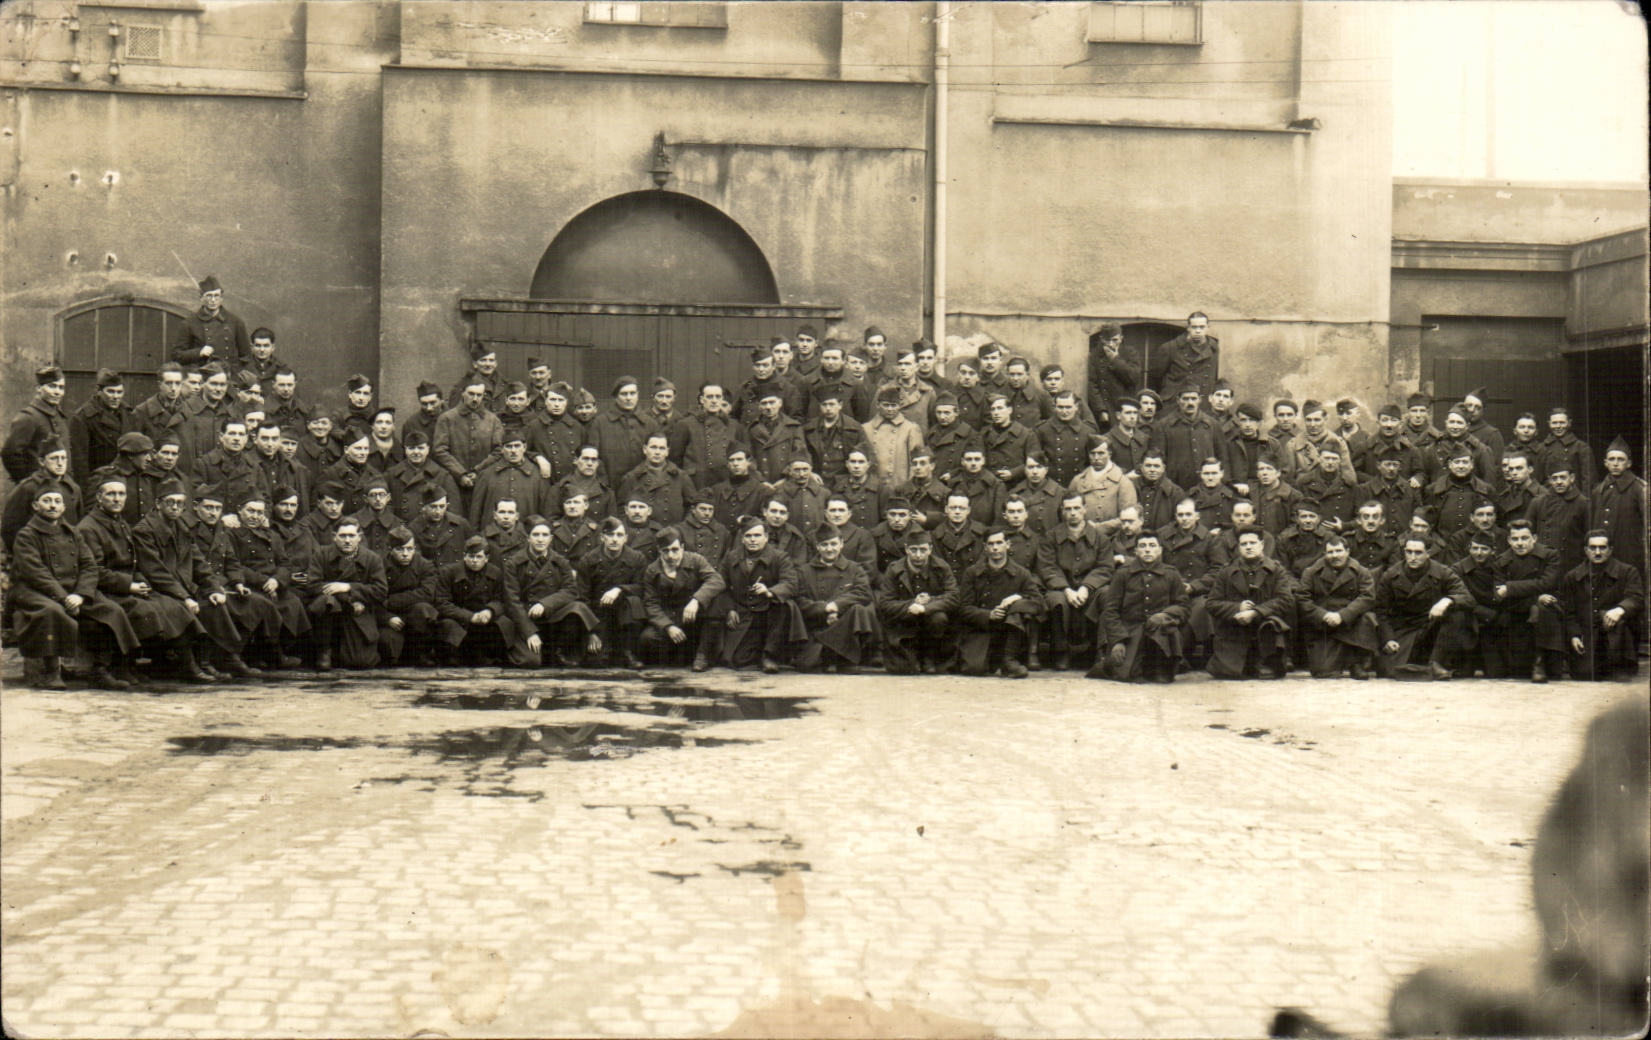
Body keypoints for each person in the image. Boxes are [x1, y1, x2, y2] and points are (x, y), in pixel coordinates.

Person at [76, 475, 196, 681]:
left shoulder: (121, 523)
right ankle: (118, 665)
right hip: (104, 588)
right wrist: (129, 586)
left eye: (121, 494)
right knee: (142, 610)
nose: (117, 499)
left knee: (170, 604)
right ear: (99, 497)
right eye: (111, 494)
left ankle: (181, 663)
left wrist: (141, 582)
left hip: (126, 585)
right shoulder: (89, 528)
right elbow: (94, 570)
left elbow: (133, 562)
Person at [133, 478, 251, 679]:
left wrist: (213, 587)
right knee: (181, 608)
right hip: (157, 588)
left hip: (181, 585)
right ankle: (189, 665)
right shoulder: (144, 530)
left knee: (213, 602)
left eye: (180, 503)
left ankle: (209, 661)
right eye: (170, 502)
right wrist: (184, 596)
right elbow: (155, 571)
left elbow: (198, 562)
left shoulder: (181, 527)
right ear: (158, 503)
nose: (175, 507)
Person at [215, 495, 302, 669]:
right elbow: (235, 565)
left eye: (259, 512)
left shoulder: (271, 535)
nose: (254, 516)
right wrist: (264, 581)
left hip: (272, 582)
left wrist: (277, 580)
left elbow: (285, 563)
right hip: (247, 583)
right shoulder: (232, 533)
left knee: (293, 602)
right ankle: (258, 654)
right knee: (261, 604)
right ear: (239, 511)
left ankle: (273, 651)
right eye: (250, 511)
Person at [1091, 531, 1188, 683]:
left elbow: (1182, 606)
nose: (1147, 550)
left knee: (1161, 677)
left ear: (1160, 550)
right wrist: (1117, 641)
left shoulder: (1171, 574)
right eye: (1142, 546)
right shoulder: (1122, 574)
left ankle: (1161, 668)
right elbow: (1111, 611)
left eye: (1152, 545)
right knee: (1125, 675)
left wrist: (1164, 615)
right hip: (1130, 632)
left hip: (1160, 632)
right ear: (1135, 551)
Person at [717, 514, 807, 673]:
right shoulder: (731, 557)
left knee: (785, 605)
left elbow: (791, 584)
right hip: (744, 613)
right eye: (748, 536)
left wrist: (770, 592)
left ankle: (770, 654)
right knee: (736, 660)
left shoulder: (780, 557)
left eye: (757, 535)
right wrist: (730, 609)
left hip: (770, 612)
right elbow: (721, 586)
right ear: (742, 539)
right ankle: (758, 650)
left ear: (766, 537)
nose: (753, 540)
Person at [1372, 537, 1472, 680]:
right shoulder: (1391, 575)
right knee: (1388, 672)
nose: (1413, 557)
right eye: (1409, 552)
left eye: (1418, 553)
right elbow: (1381, 611)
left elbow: (1468, 598)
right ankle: (1424, 667)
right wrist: (1388, 638)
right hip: (1404, 630)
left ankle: (1436, 663)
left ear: (1428, 553)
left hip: (1433, 630)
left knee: (1457, 612)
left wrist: (1447, 600)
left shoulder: (1443, 572)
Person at [1036, 493, 1112, 670]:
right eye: (1068, 509)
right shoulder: (1051, 536)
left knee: (1107, 595)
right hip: (1061, 588)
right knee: (1056, 600)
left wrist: (1086, 587)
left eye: (1077, 508)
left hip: (1091, 590)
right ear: (1062, 511)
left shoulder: (1100, 538)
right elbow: (1047, 567)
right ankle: (1061, 652)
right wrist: (1066, 589)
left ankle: (1100, 650)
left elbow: (1105, 567)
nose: (1073, 513)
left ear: (1085, 509)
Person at [1206, 529, 1295, 679]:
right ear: (1239, 547)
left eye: (1252, 543)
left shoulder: (1277, 570)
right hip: (1235, 628)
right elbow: (1212, 603)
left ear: (1261, 545)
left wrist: (1256, 612)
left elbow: (1286, 600)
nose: (1248, 547)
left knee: (1272, 625)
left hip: (1264, 627)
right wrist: (1237, 608)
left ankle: (1266, 662)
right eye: (1244, 544)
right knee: (1228, 673)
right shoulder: (1226, 572)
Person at [954, 529, 1043, 678]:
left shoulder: (1021, 573)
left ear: (1007, 545)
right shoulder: (972, 573)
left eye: (999, 543)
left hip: (1009, 632)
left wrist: (1016, 598)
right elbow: (964, 608)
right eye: (991, 544)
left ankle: (1009, 659)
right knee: (974, 669)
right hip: (981, 629)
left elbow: (1038, 602)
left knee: (1020, 607)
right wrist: (988, 615)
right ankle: (994, 660)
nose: (995, 548)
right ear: (985, 547)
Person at [1486, 519, 1567, 682]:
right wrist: (1536, 595)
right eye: (1515, 539)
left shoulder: (1550, 555)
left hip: (1547, 614)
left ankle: (1540, 661)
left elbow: (1548, 583)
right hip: (1516, 611)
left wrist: (1511, 588)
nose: (1520, 543)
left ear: (1534, 538)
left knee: (1542, 606)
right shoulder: (1501, 561)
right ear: (1509, 540)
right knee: (1509, 671)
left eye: (1525, 538)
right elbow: (1499, 595)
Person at [1560, 530, 1644, 681]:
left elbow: (1636, 598)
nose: (1597, 552)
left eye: (1602, 547)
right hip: (1588, 635)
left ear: (1610, 549)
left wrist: (1620, 609)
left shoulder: (1628, 572)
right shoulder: (1572, 577)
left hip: (1617, 634)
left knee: (1620, 675)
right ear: (1586, 550)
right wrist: (1574, 635)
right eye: (1592, 548)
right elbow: (1569, 612)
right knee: (1584, 675)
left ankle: (1620, 664)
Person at [795, 522, 878, 672]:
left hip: (846, 626)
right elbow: (800, 601)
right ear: (817, 546)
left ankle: (846, 660)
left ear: (841, 544)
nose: (829, 549)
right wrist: (824, 609)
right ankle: (829, 655)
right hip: (818, 628)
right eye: (824, 544)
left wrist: (836, 607)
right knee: (807, 666)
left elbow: (864, 593)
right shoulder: (803, 572)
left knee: (859, 609)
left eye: (833, 544)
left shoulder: (854, 569)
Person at [305, 519, 387, 670]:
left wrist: (349, 587)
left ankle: (342, 653)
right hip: (330, 611)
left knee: (361, 662)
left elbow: (381, 591)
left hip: (358, 613)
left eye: (351, 535)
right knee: (325, 601)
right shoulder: (321, 555)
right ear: (334, 536)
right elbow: (312, 585)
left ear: (359, 537)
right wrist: (348, 599)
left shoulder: (372, 559)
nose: (347, 540)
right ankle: (324, 651)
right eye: (342, 536)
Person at [639, 526, 724, 671]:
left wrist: (696, 600)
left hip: (695, 618)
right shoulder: (652, 570)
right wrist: (668, 626)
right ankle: (681, 654)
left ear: (682, 547)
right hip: (671, 619)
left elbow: (717, 580)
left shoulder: (696, 560)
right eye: (665, 551)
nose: (671, 556)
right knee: (647, 638)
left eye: (675, 549)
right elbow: (651, 603)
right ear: (659, 550)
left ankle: (701, 655)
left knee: (715, 602)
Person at [875, 527, 959, 675]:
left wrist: (926, 607)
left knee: (938, 618)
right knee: (904, 669)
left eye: (922, 550)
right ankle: (911, 656)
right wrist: (911, 604)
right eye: (913, 550)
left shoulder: (941, 567)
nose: (918, 555)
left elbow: (953, 596)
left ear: (930, 549)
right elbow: (885, 604)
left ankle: (930, 656)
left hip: (931, 625)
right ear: (906, 549)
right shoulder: (894, 570)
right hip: (904, 625)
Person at [1297, 534, 1378, 679]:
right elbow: (1303, 599)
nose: (1335, 555)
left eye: (1339, 551)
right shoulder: (1311, 572)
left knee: (1368, 618)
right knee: (1323, 672)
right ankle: (1340, 660)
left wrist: (1343, 615)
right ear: (1324, 553)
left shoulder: (1361, 572)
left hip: (1351, 623)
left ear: (1347, 551)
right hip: (1324, 625)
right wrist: (1323, 615)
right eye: (1330, 552)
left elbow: (1367, 597)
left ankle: (1356, 662)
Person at [431, 535, 514, 666]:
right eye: (471, 556)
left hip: (484, 619)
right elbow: (442, 603)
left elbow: (501, 599)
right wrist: (469, 616)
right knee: (447, 626)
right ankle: (454, 657)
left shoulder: (496, 573)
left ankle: (498, 655)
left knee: (504, 623)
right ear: (464, 556)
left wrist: (489, 611)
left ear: (486, 559)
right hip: (459, 618)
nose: (474, 561)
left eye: (479, 557)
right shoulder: (448, 572)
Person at [578, 517, 649, 669]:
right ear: (602, 537)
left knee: (634, 601)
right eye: (610, 535)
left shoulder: (637, 558)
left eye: (619, 535)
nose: (614, 539)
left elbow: (642, 587)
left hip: (625, 616)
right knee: (596, 662)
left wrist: (620, 589)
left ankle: (629, 651)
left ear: (625, 538)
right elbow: (582, 598)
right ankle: (604, 648)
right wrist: (591, 633)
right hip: (598, 616)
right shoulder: (588, 560)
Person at [433, 377, 505, 508]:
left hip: (484, 483)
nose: (475, 399)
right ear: (463, 393)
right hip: (453, 483)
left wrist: (478, 472)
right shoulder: (447, 418)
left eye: (479, 395)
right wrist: (461, 474)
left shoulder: (493, 420)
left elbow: (499, 450)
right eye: (471, 394)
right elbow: (440, 450)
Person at [3, 438, 81, 550]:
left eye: (63, 458)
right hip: (37, 552)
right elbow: (10, 528)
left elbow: (78, 523)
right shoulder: (27, 488)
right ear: (41, 461)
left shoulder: (73, 488)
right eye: (54, 458)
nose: (60, 463)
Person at [376, 525, 438, 667]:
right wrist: (387, 617)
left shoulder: (424, 565)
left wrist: (391, 601)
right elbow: (373, 596)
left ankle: (422, 653)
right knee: (388, 648)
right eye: (400, 549)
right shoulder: (379, 566)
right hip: (390, 617)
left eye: (409, 549)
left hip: (413, 615)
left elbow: (427, 593)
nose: (405, 554)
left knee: (424, 610)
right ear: (390, 550)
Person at [68, 369, 138, 489]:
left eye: (119, 392)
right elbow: (80, 463)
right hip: (100, 482)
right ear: (98, 391)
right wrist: (86, 492)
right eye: (111, 391)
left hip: (126, 481)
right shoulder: (84, 417)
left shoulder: (128, 413)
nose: (116, 396)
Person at [670, 382, 747, 489]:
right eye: (710, 397)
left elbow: (746, 456)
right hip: (696, 482)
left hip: (725, 482)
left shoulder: (734, 426)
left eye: (718, 397)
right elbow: (675, 459)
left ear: (722, 399)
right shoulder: (686, 424)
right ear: (702, 400)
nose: (714, 400)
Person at [4, 365, 71, 483]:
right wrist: (28, 482)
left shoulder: (58, 416)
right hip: (39, 489)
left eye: (61, 388)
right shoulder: (29, 417)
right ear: (39, 388)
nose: (57, 392)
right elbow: (10, 453)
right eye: (52, 386)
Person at [1591, 436, 1645, 579]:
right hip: (1603, 553)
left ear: (1629, 464)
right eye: (1612, 459)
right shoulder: (1598, 490)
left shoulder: (1640, 489)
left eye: (1620, 460)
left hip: (1629, 553)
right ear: (1605, 463)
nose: (1615, 463)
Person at [470, 430, 550, 526]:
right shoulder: (487, 475)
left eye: (517, 446)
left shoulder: (537, 475)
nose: (513, 451)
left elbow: (546, 510)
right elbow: (476, 511)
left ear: (524, 447)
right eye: (508, 446)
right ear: (502, 449)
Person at [171, 275, 251, 366]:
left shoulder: (235, 322)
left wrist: (234, 373)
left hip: (227, 376)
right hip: (201, 375)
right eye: (209, 296)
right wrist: (199, 352)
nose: (213, 300)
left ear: (221, 298)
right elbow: (176, 355)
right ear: (201, 298)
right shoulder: (189, 323)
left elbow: (246, 357)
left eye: (216, 295)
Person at [1153, 384, 1220, 489]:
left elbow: (1222, 458)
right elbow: (1158, 460)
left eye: (1193, 398)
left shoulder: (1212, 425)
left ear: (1200, 400)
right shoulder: (1163, 426)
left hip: (1207, 488)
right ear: (1178, 400)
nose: (1190, 403)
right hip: (1175, 488)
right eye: (1186, 399)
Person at [1529, 462, 1591, 574]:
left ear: (1572, 478)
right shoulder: (1538, 502)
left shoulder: (1583, 503)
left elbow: (1588, 537)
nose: (1559, 482)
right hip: (1543, 564)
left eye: (1563, 477)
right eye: (1554, 478)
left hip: (1571, 564)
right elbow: (1528, 533)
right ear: (1550, 480)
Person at [863, 384, 924, 488]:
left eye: (893, 405)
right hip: (872, 488)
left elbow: (916, 463)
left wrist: (910, 488)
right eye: (886, 405)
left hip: (899, 486)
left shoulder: (910, 428)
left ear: (899, 405)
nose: (890, 409)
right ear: (878, 405)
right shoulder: (866, 428)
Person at [1037, 391, 1097, 488]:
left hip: (1080, 486)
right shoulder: (1042, 430)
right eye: (1060, 407)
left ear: (1076, 406)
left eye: (1068, 407)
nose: (1064, 411)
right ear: (1054, 407)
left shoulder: (1088, 431)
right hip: (1051, 486)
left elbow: (1092, 463)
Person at [1086, 322, 1139, 427]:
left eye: (1115, 340)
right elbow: (1093, 384)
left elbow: (1134, 378)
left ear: (1121, 338)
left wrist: (1115, 360)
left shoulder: (1130, 353)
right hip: (1106, 408)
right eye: (1107, 340)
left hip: (1125, 406)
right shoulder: (1095, 355)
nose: (1111, 344)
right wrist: (1101, 409)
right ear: (1101, 339)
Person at [1157, 312, 1218, 395]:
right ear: (1188, 328)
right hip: (1176, 399)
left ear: (1208, 328)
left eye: (1202, 327)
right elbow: (1156, 376)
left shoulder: (1215, 349)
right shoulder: (1170, 348)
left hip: (1203, 399)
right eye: (1194, 327)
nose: (1198, 331)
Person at [1537, 406, 1593, 488]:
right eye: (1554, 423)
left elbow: (1588, 480)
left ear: (1569, 423)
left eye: (1562, 422)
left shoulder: (1581, 447)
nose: (1558, 426)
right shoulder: (1541, 447)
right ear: (1549, 423)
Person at [1130, 450, 1184, 535]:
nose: (1152, 470)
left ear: (1163, 468)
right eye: (1148, 466)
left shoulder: (1175, 492)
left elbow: (1178, 521)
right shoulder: (1130, 487)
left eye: (1156, 466)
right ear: (1141, 467)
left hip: (1165, 540)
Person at [447, 346, 504, 412]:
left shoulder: (505, 384)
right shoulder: (464, 385)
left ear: (495, 364)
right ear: (475, 364)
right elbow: (454, 413)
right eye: (483, 360)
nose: (488, 364)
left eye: (491, 360)